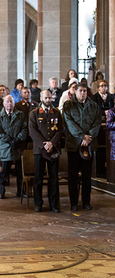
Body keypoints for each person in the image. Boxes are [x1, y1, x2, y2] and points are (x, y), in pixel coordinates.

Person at [63, 83, 101, 211]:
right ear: (75, 92)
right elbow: (69, 122)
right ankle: (73, 202)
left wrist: (89, 136)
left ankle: (86, 201)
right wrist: (81, 136)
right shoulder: (68, 105)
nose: (83, 93)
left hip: (89, 145)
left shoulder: (94, 106)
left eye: (85, 91)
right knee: (73, 176)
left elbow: (97, 122)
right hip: (74, 145)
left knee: (86, 175)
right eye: (80, 91)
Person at [29, 90, 63, 213]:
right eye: (46, 98)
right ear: (41, 98)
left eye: (50, 98)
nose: (48, 100)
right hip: (39, 150)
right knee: (38, 178)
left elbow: (59, 130)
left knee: (53, 178)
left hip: (53, 149)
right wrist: (44, 144)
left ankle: (54, 204)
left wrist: (52, 143)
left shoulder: (57, 113)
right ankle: (38, 203)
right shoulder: (35, 113)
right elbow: (33, 131)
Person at [0, 95, 27, 199]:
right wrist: (9, 140)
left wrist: (17, 139)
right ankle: (2, 191)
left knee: (19, 170)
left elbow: (25, 128)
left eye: (11, 102)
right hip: (6, 147)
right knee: (4, 171)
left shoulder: (20, 115)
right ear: (3, 104)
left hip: (18, 146)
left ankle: (21, 191)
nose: (9, 104)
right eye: (7, 102)